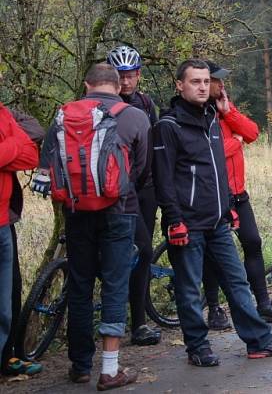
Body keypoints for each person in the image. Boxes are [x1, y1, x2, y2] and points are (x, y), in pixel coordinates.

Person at [152, 59, 272, 367]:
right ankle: (198, 347)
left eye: (206, 81)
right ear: (179, 85)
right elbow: (163, 180)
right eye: (195, 81)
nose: (203, 86)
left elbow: (219, 171)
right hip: (187, 224)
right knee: (190, 289)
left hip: (219, 221)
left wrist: (229, 207)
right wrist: (174, 220)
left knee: (237, 282)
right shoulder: (169, 126)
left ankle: (259, 342)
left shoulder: (212, 119)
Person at [37, 63, 149, 390]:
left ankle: (80, 365)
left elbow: (50, 163)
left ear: (87, 85)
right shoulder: (134, 116)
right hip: (121, 210)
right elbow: (141, 169)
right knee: (115, 284)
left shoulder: (63, 116)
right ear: (117, 85)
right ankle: (110, 370)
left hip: (76, 212)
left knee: (80, 284)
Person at [201, 61, 272, 328]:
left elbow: (252, 132)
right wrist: (235, 142)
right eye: (217, 81)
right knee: (212, 254)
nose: (222, 85)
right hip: (215, 196)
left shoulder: (224, 111)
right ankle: (215, 309)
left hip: (238, 193)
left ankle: (263, 303)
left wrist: (229, 113)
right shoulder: (199, 116)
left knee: (252, 243)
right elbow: (211, 154)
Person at [106, 45, 161, 346]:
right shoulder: (103, 105)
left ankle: (138, 322)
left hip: (146, 189)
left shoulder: (145, 103)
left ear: (138, 75)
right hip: (117, 190)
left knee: (143, 253)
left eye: (130, 76)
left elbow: (153, 147)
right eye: (120, 76)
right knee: (122, 252)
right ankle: (116, 319)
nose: (125, 82)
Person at [2, 109, 44, 377]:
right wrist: (14, 143)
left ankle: (6, 357)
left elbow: (31, 153)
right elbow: (23, 148)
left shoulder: (4, 114)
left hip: (4, 219)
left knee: (7, 297)